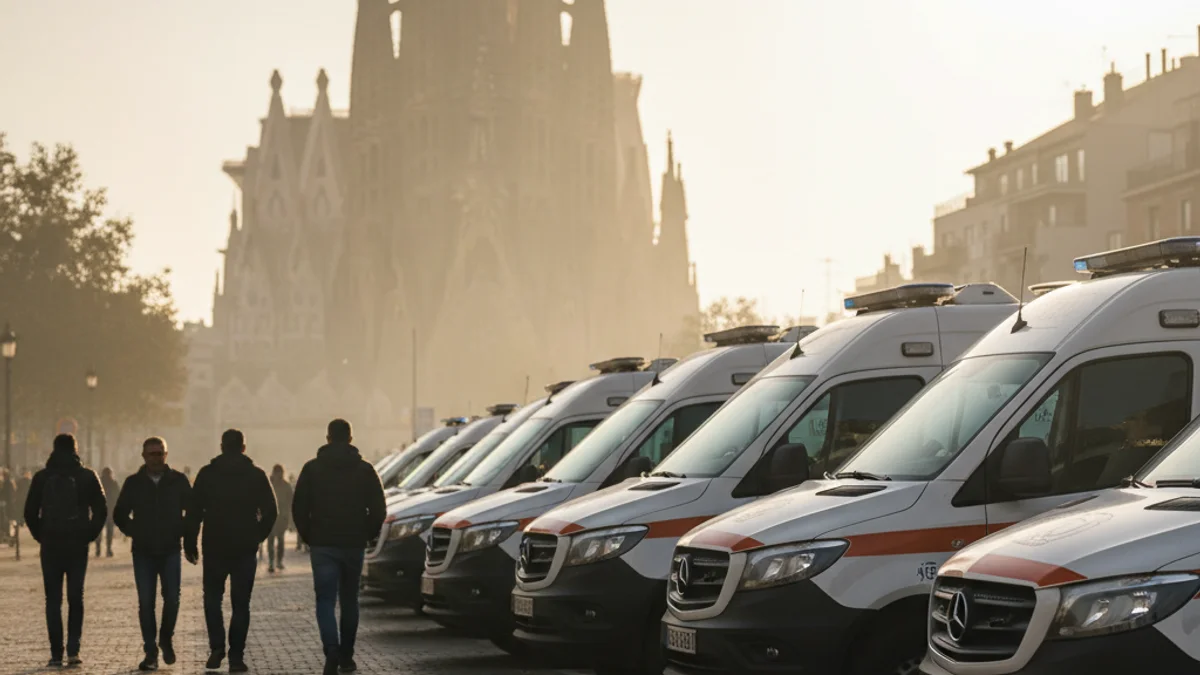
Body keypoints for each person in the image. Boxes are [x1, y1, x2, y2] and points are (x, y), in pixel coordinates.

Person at [292, 419, 386, 675]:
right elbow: (379, 508)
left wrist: (308, 536)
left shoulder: (311, 470)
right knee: (349, 600)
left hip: (323, 543)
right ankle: (346, 655)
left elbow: (299, 507)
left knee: (324, 600)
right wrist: (367, 533)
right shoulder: (365, 470)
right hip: (353, 543)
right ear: (351, 439)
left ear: (328, 438)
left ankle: (331, 649)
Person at [185, 429, 277, 673]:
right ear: (243, 447)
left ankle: (217, 647)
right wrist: (257, 535)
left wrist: (190, 542)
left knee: (212, 599)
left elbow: (194, 512)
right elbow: (271, 511)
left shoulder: (207, 474)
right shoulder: (256, 475)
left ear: (222, 446)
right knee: (241, 604)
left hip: (215, 545)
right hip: (245, 547)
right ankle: (236, 656)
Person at [24, 434, 107, 668]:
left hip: (51, 545)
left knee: (53, 600)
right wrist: (89, 534)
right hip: (77, 544)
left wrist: (41, 535)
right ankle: (73, 649)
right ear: (75, 449)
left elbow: (29, 511)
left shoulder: (42, 477)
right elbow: (101, 509)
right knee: (75, 598)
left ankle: (55, 653)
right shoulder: (87, 476)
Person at [113, 438, 192, 671]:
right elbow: (119, 514)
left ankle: (166, 639)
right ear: (143, 456)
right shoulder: (133, 483)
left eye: (159, 454)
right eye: (151, 454)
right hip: (143, 551)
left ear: (166, 455)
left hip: (170, 549)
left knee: (173, 599)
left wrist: (182, 530)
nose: (156, 458)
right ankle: (150, 651)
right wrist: (135, 531)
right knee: (146, 603)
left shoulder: (178, 481)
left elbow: (194, 509)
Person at [268, 465, 293, 573]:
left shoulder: (286, 486)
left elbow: (290, 502)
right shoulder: (269, 484)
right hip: (270, 517)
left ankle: (279, 561)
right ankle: (271, 561)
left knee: (281, 540)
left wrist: (290, 518)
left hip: (282, 517)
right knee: (270, 540)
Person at [95, 467, 120, 558]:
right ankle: (108, 549)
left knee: (99, 532)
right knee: (109, 531)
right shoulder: (114, 483)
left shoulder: (99, 482)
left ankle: (98, 549)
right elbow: (118, 497)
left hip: (100, 511)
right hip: (110, 511)